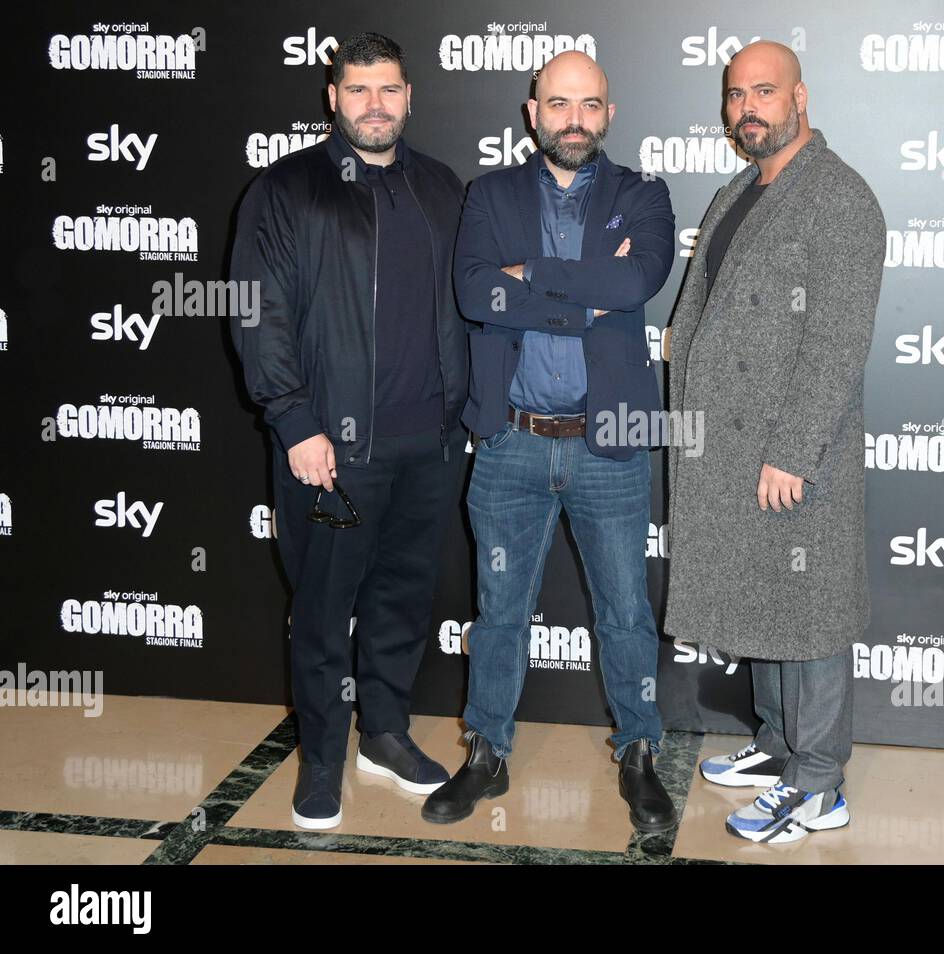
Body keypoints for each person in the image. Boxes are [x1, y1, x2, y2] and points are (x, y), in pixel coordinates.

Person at [420, 51, 678, 833]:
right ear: (532, 113)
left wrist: (530, 276)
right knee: (499, 609)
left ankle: (639, 754)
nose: (574, 118)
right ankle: (486, 754)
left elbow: (637, 286)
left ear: (608, 113)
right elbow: (475, 291)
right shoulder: (489, 194)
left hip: (611, 446)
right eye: (558, 104)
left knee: (627, 611)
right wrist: (582, 292)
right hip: (510, 447)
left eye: (589, 104)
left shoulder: (643, 195)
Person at [229, 32, 469, 829]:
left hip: (427, 449)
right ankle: (323, 758)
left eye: (389, 90)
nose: (375, 105)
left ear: (408, 97)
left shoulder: (441, 187)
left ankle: (387, 734)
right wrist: (295, 422)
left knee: (403, 600)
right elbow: (258, 312)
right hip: (333, 454)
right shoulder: (287, 189)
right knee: (326, 610)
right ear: (332, 98)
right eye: (358, 90)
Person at [664, 41, 886, 844]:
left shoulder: (841, 197)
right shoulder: (737, 190)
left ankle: (819, 780)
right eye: (735, 95)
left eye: (764, 91)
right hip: (724, 447)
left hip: (792, 454)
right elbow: (701, 310)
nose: (747, 108)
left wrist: (792, 450)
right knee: (762, 602)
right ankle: (777, 742)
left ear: (800, 97)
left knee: (807, 611)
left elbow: (835, 343)